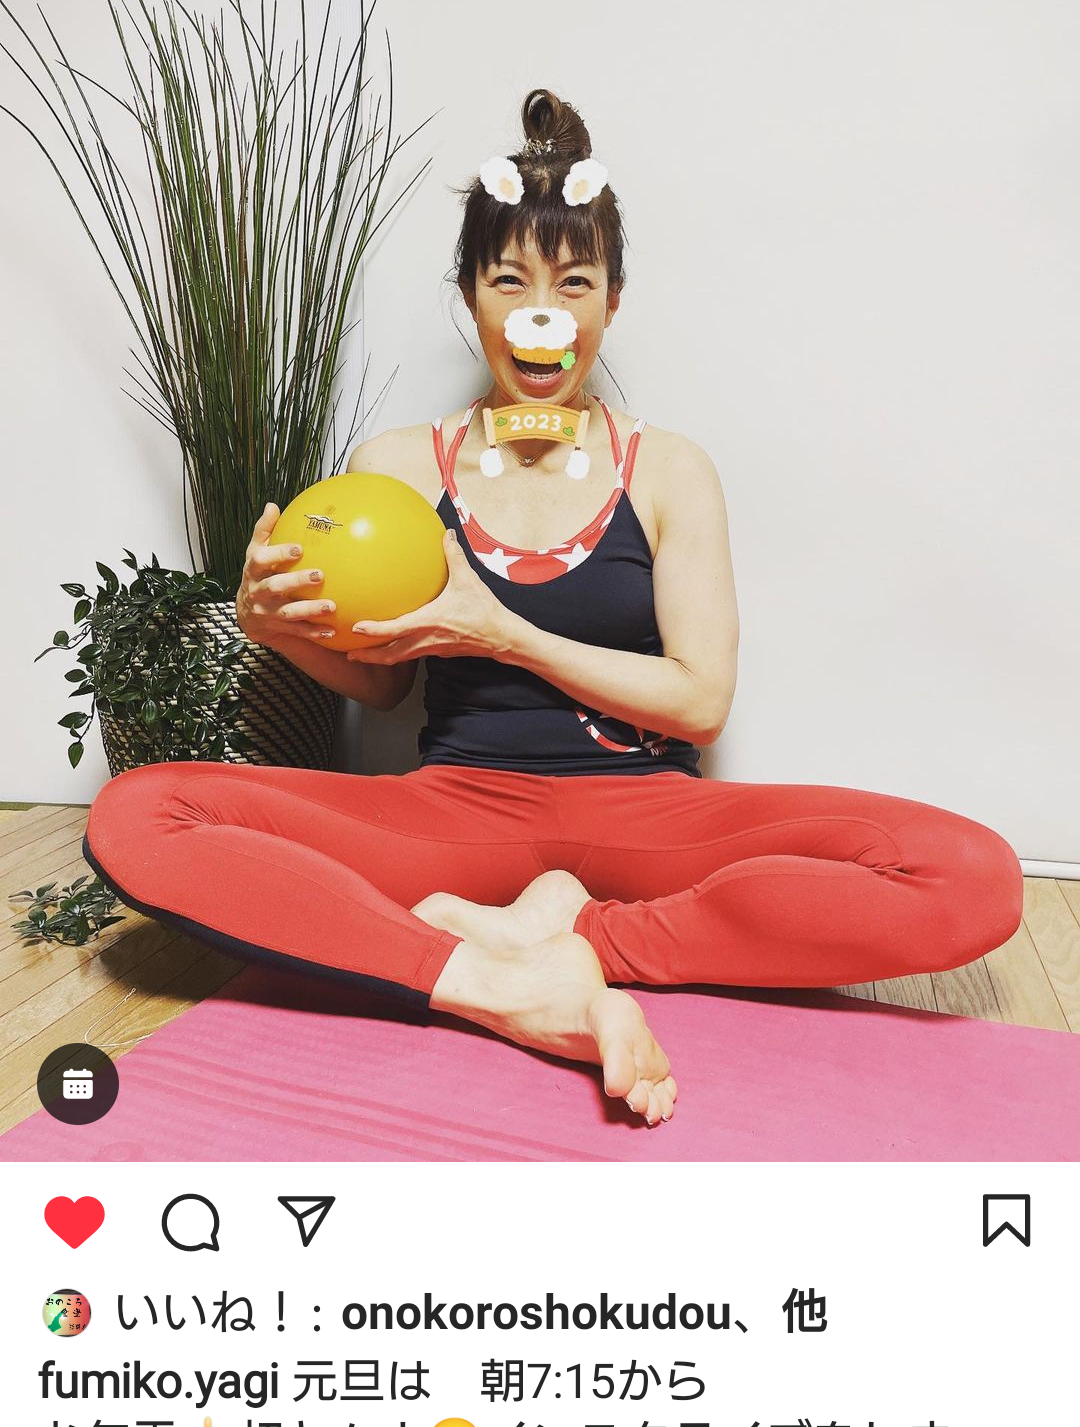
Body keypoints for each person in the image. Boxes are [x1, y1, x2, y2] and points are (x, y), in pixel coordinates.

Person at [82, 89, 1024, 1126]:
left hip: (648, 816)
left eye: (573, 282)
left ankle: (580, 939)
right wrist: (277, 630)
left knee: (970, 875)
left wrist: (507, 633)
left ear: (612, 301)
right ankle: (498, 982)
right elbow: (384, 685)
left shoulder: (669, 468)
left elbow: (700, 700)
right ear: (470, 296)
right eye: (510, 280)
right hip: (454, 812)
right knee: (139, 813)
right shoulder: (398, 466)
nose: (543, 312)